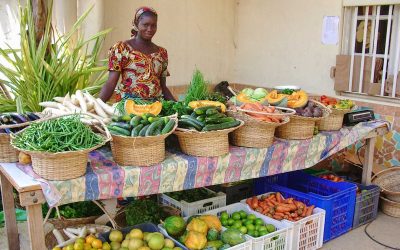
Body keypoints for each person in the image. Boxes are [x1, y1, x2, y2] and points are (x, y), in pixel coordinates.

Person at [99, 7, 176, 102]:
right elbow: (111, 83)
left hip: (154, 110)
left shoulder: (161, 53)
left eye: (153, 25)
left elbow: (163, 87)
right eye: (145, 25)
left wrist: (179, 107)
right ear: (136, 24)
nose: (150, 29)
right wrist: (96, 106)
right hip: (128, 109)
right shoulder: (122, 48)